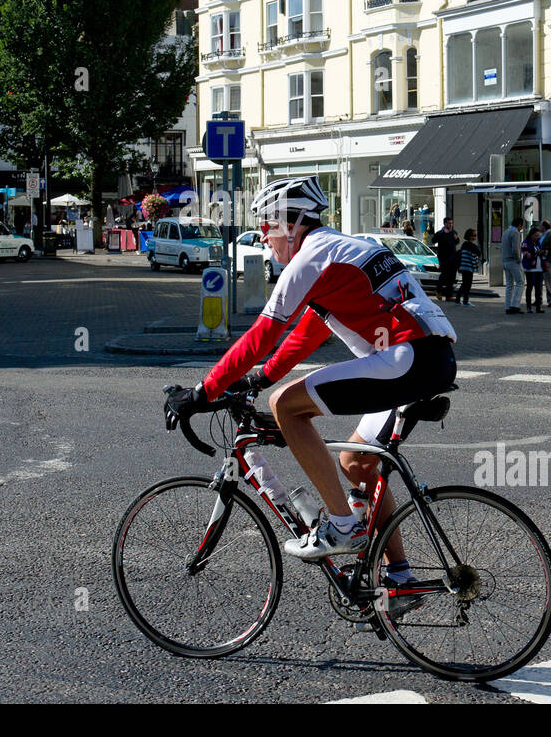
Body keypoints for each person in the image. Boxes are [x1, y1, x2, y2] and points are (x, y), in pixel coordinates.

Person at [166, 176, 457, 571]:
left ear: (292, 222)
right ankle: (399, 576)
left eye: (268, 225)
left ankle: (341, 526)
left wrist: (202, 392)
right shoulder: (345, 250)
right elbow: (306, 334)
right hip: (428, 357)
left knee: (285, 406)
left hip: (405, 358)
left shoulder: (312, 257)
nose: (264, 236)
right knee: (356, 463)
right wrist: (258, 378)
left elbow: (261, 335)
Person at [431, 217, 459, 301]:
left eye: (451, 223)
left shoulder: (453, 232)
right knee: (444, 274)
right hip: (443, 257)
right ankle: (438, 291)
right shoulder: (440, 233)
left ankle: (449, 295)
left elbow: (457, 242)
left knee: (452, 276)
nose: (450, 225)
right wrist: (442, 233)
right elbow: (433, 240)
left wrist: (456, 238)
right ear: (445, 224)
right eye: (449, 223)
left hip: (453, 257)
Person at [501, 217, 524, 315]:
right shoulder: (515, 233)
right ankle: (515, 305)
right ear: (519, 225)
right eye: (521, 226)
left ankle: (507, 306)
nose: (521, 228)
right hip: (512, 260)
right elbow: (515, 248)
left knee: (509, 284)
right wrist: (518, 259)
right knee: (520, 282)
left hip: (505, 260)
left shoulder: (506, 232)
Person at [521, 227, 545, 314]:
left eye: (538, 236)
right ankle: (528, 307)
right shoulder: (526, 243)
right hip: (530, 269)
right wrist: (536, 253)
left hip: (539, 268)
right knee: (530, 287)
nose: (537, 237)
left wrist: (542, 252)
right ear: (531, 235)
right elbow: (526, 254)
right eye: (536, 235)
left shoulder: (538, 243)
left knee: (539, 288)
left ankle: (538, 307)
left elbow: (541, 253)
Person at [456, 229, 482, 306]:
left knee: (464, 284)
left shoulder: (464, 245)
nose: (475, 237)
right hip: (468, 267)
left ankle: (458, 299)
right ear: (470, 236)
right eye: (474, 235)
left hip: (463, 267)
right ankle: (465, 301)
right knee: (468, 284)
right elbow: (478, 253)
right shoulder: (472, 246)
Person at [538, 220, 551, 308]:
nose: (539, 227)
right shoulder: (541, 236)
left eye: (541, 226)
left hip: (547, 261)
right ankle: (539, 299)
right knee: (538, 281)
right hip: (540, 261)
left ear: (544, 227)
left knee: (548, 281)